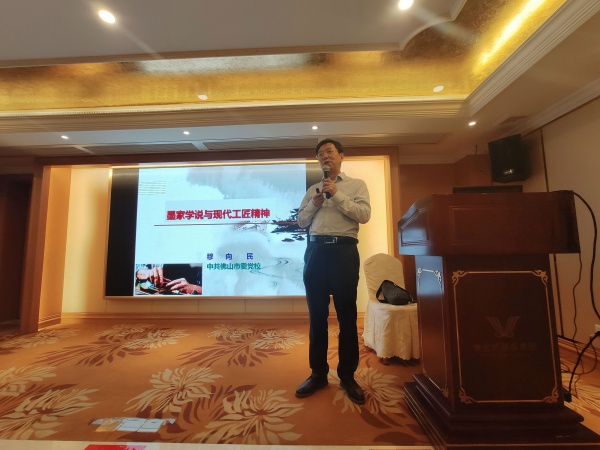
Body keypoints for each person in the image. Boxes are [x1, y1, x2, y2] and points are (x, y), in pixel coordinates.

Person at [295, 138, 371, 405]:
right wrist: (315, 203)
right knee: (317, 317)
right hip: (315, 252)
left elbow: (363, 215)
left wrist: (337, 195)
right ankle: (318, 374)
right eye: (320, 154)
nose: (324, 156)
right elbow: (301, 221)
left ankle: (348, 376)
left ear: (341, 156)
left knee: (347, 317)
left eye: (329, 152)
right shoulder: (312, 189)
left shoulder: (356, 185)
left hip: (343, 252)